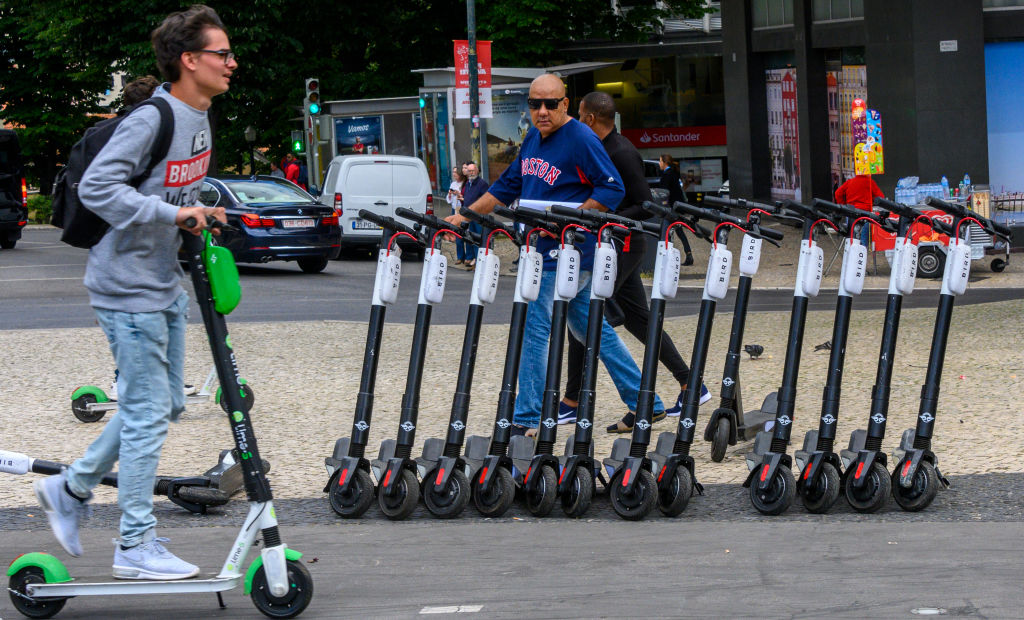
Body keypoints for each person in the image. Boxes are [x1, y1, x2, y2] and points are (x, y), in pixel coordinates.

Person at [33, 4, 230, 581]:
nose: (230, 62)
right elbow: (97, 187)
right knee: (146, 417)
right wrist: (174, 212)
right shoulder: (153, 117)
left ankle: (69, 488)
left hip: (162, 283)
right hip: (125, 289)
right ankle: (134, 545)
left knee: (164, 404)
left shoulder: (200, 116)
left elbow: (176, 191)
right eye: (221, 53)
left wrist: (201, 213)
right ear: (189, 60)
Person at [446, 74, 664, 435]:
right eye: (535, 104)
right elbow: (508, 186)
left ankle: (527, 418)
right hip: (541, 248)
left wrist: (575, 221)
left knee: (534, 325)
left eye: (550, 104)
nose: (542, 111)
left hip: (566, 251)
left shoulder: (581, 138)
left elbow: (612, 189)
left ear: (566, 104)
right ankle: (647, 403)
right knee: (591, 329)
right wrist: (466, 214)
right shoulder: (533, 137)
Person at [570, 92, 709, 433]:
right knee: (636, 319)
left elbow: (646, 204)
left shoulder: (621, 151)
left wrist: (601, 214)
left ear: (589, 119)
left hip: (625, 244)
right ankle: (691, 384)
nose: (575, 121)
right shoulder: (605, 149)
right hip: (615, 242)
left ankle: (571, 402)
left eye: (578, 115)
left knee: (583, 307)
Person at [657, 154, 694, 265]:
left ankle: (666, 258)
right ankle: (688, 255)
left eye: (660, 161)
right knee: (679, 231)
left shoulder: (667, 175)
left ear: (665, 162)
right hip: (677, 207)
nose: (659, 164)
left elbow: (663, 193)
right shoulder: (673, 174)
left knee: (665, 232)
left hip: (671, 209)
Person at [835, 172, 884, 245]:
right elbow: (881, 197)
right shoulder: (870, 182)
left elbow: (837, 193)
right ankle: (863, 251)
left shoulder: (850, 182)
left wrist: (843, 205)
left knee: (851, 236)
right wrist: (872, 200)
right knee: (863, 238)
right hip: (865, 213)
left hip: (851, 212)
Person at [459, 161, 488, 270]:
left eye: (472, 171)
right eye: (469, 171)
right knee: (470, 238)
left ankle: (479, 262)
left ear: (477, 171)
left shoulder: (482, 184)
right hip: (468, 215)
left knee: (478, 239)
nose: (470, 173)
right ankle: (473, 259)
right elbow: (468, 197)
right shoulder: (468, 183)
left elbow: (485, 200)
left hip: (478, 216)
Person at [447, 166, 468, 264]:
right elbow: (448, 200)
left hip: (463, 209)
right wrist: (451, 194)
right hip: (455, 210)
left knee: (466, 233)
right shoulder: (453, 184)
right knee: (457, 233)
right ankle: (460, 256)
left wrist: (458, 193)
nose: (454, 174)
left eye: (456, 172)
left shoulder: (465, 184)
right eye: (453, 172)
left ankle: (469, 256)